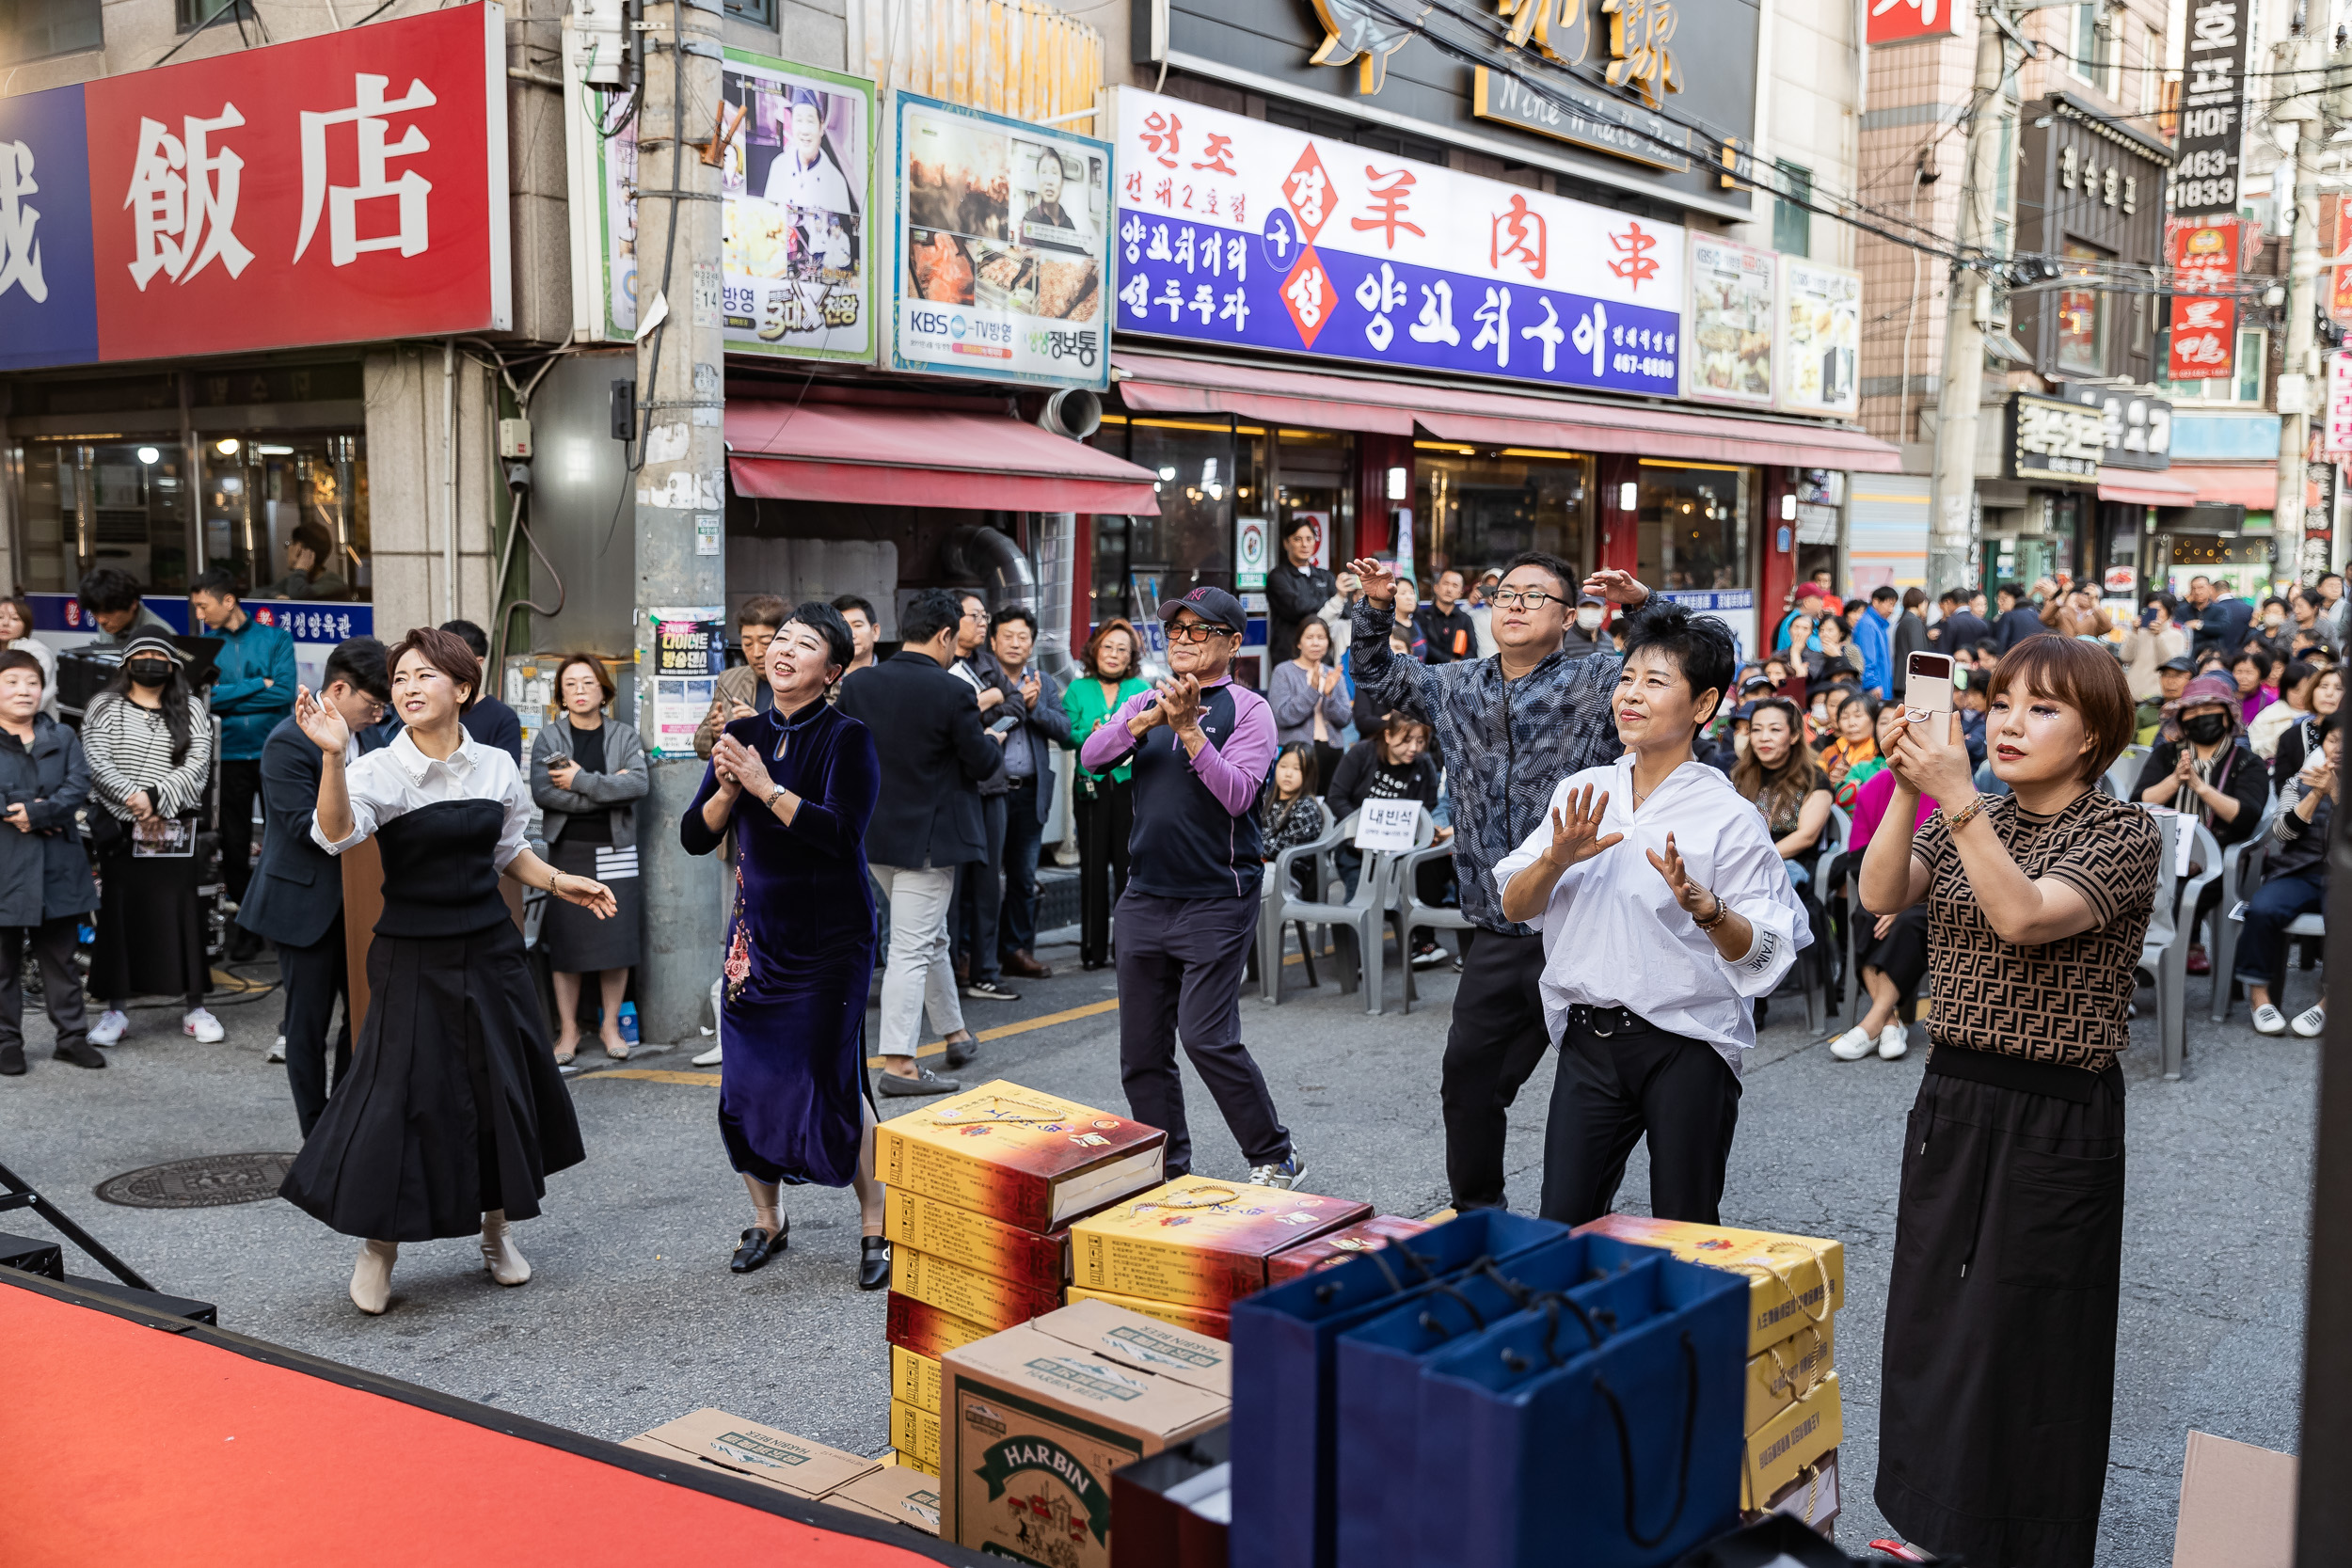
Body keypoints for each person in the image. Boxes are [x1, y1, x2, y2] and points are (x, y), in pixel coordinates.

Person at [1858, 635, 2153, 1568]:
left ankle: (2019, 1550)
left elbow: (2022, 915)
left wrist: (1953, 799)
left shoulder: (2123, 830)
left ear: (2094, 734)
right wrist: (1909, 781)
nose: (2010, 721)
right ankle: (1939, 1533)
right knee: (1932, 1326)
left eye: (2043, 707)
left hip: (2056, 1109)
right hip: (1954, 1090)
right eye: (2003, 702)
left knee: (2028, 1340)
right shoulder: (1964, 811)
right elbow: (1875, 892)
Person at [279, 626, 612, 1316]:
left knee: (499, 1090)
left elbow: (508, 848)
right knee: (397, 1100)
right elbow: (337, 835)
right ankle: (379, 1248)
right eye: (399, 677)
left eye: (423, 675)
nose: (406, 687)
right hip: (410, 951)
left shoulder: (495, 763)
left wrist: (557, 880)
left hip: (491, 949)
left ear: (462, 688)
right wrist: (335, 759)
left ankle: (496, 1232)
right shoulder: (378, 767)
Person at [1343, 549, 1652, 1213]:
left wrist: (1642, 605)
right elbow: (1375, 674)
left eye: (1534, 595)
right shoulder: (1456, 684)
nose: (1513, 603)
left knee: (1599, 1087)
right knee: (1470, 1078)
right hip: (1495, 927)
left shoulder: (1598, 677)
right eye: (1505, 592)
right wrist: (1373, 606)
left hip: (1584, 923)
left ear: (1570, 616)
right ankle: (1477, 1212)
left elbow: (1679, 667)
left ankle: (1578, 1222)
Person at [1493, 601, 1805, 1225]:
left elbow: (1770, 955)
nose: (1630, 695)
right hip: (1588, 1039)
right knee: (1563, 1225)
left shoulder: (1728, 816)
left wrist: (1710, 910)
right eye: (1628, 678)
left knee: (1685, 1228)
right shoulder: (1583, 791)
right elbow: (1514, 904)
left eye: (1656, 682)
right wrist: (1555, 858)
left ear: (1704, 705)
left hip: (1686, 1045)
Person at [683, 602, 894, 1288]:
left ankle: (874, 1222)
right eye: (780, 639)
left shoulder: (848, 737)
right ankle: (767, 1217)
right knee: (745, 1084)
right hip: (758, 938)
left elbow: (840, 835)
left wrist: (765, 787)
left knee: (835, 1078)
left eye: (805, 644)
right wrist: (724, 788)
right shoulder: (741, 730)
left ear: (831, 669)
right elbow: (695, 833)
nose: (785, 650)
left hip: (832, 940)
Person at [1078, 586, 1302, 1187]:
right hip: (1145, 895)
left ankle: (1274, 1155)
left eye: (1198, 630)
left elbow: (1239, 795)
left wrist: (1192, 734)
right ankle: (1167, 1170)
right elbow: (1091, 756)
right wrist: (1148, 720)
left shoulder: (1248, 709)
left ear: (1231, 643)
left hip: (1216, 897)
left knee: (1206, 1036)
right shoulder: (1148, 700)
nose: (1181, 639)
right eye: (1175, 629)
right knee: (1142, 1054)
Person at [836, 589, 995, 1095]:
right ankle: (900, 1063)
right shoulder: (952, 691)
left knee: (929, 937)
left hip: (873, 837)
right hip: (928, 842)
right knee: (910, 945)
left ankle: (954, 1031)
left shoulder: (860, 685)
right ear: (946, 635)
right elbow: (981, 764)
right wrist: (994, 740)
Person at [237, 639, 389, 1132]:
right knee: (306, 1025)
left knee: (363, 1018)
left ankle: (344, 1120)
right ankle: (314, 1130)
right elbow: (307, 828)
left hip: (364, 904)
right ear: (339, 689)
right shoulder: (288, 740)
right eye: (373, 703)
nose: (379, 713)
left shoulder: (378, 738)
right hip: (304, 902)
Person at [82, 637, 218, 1049]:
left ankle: (194, 1006)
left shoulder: (192, 706)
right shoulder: (103, 706)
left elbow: (198, 762)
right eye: (142, 656)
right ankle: (116, 1010)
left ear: (174, 665)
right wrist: (137, 804)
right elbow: (95, 759)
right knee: (121, 915)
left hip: (175, 829)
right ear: (126, 663)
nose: (151, 663)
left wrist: (158, 800)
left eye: (160, 657)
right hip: (122, 831)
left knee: (184, 912)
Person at [531, 654, 649, 1065]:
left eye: (587, 683)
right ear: (561, 694)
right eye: (570, 685)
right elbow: (545, 794)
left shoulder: (624, 735)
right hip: (568, 853)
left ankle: (610, 1025)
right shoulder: (550, 739)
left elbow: (637, 784)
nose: (579, 691)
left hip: (617, 850)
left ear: (603, 690)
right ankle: (568, 1030)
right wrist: (604, 791)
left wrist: (581, 781)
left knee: (615, 939)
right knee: (567, 943)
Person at [0, 650, 101, 1075]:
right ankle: (6, 1041)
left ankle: (71, 1038)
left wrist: (36, 813)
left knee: (60, 957)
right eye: (12, 682)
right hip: (5, 863)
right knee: (2, 963)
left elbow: (77, 787)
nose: (24, 691)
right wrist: (23, 808)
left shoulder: (63, 736)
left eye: (32, 682)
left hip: (57, 862)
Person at [188, 568, 296, 959]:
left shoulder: (276, 639)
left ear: (227, 600)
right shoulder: (204, 646)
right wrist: (258, 684)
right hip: (228, 755)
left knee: (283, 837)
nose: (200, 614)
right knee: (233, 845)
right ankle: (248, 924)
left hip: (274, 752)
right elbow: (204, 700)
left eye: (204, 605)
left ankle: (283, 919)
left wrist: (233, 695)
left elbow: (283, 693)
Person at [982, 607, 1071, 983]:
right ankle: (978, 954)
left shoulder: (1044, 682)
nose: (1016, 643)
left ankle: (1017, 950)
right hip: (990, 793)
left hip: (1030, 792)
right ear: (993, 641)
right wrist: (1012, 701)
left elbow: (1065, 731)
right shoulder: (982, 681)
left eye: (1023, 638)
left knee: (1022, 876)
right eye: (1008, 636)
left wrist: (1034, 709)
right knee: (984, 877)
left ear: (1032, 644)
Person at [1327, 712, 1452, 967]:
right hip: (1358, 846)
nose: (1414, 748)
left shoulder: (1424, 764)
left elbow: (1426, 810)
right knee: (1360, 885)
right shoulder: (1362, 753)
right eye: (1406, 741)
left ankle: (1423, 940)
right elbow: (1337, 796)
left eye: (1420, 741)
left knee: (1427, 866)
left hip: (1401, 848)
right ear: (1387, 734)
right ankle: (1361, 952)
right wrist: (1363, 829)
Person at [2238, 712, 2336, 1037]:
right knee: (2263, 910)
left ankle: (2329, 1003)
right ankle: (2259, 998)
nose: (2340, 748)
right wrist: (2317, 794)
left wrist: (2337, 795)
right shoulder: (2299, 780)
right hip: (2297, 871)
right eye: (2334, 740)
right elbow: (2281, 832)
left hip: (2343, 879)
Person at [1064, 619, 1151, 973]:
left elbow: (1150, 729)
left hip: (1131, 783)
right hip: (1091, 786)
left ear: (1131, 657)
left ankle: (1126, 947)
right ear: (1094, 650)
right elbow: (1068, 733)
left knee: (1129, 867)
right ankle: (1092, 949)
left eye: (1122, 649)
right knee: (1093, 867)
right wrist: (1093, 732)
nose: (1113, 655)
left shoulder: (1141, 687)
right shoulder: (1077, 688)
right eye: (1107, 647)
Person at [946, 592, 1019, 1003]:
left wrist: (989, 706)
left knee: (989, 883)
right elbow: (944, 718)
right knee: (950, 888)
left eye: (983, 616)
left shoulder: (988, 665)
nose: (981, 623)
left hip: (992, 787)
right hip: (954, 790)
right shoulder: (939, 666)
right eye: (975, 616)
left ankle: (986, 970)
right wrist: (985, 701)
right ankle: (952, 971)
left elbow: (1017, 706)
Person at [1735, 698, 1834, 878]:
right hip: (1743, 865)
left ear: (1794, 735)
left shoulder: (1814, 778)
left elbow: (1806, 836)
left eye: (1775, 729)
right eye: (1756, 729)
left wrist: (1756, 859)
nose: (1764, 737)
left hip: (1791, 868)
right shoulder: (1739, 775)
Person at [695, 596, 789, 759]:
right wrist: (715, 732)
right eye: (748, 644)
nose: (757, 653)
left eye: (765, 643)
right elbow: (700, 745)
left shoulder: (807, 682)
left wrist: (760, 726)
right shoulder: (729, 680)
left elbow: (808, 744)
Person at [1270, 616, 1351, 788]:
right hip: (1297, 755)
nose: (1316, 643)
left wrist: (1329, 695)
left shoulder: (1333, 673)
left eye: (1321, 638)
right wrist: (1313, 690)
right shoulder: (1283, 672)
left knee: (1328, 809)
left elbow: (1344, 718)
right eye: (1309, 637)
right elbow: (1283, 717)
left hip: (1332, 751)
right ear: (1299, 643)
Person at [441, 621, 524, 762]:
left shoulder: (502, 718)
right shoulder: (419, 711)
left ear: (478, 663)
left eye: (454, 659)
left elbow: (505, 778)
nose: (443, 665)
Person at [1264, 515, 1336, 667]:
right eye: (1297, 539)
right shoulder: (1278, 576)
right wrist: (1329, 603)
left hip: (1322, 656)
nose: (1304, 544)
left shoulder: (1325, 576)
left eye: (1309, 539)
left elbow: (1344, 611)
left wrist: (1334, 603)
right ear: (1286, 543)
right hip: (1288, 655)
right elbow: (1297, 607)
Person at [2272, 664, 2343, 785]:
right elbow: (2281, 785)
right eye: (2323, 686)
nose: (2329, 693)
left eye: (2339, 688)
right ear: (2312, 690)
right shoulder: (2290, 736)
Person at [1260, 744, 1326, 874]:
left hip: (1287, 873)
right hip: (1258, 861)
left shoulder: (1307, 807)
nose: (1288, 774)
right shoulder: (1265, 798)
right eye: (1283, 766)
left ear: (1309, 773)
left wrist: (1245, 846)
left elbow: (1280, 848)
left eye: (1297, 768)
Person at [75, 567, 173, 651]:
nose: (101, 620)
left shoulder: (161, 636)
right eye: (95, 611)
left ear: (133, 604)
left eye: (109, 611)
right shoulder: (111, 623)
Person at [1016, 147, 1089, 253]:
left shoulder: (1068, 222)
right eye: (1044, 172)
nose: (1049, 181)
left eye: (1054, 173)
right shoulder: (1029, 221)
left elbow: (1079, 256)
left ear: (1062, 181)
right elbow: (1025, 263)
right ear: (1038, 179)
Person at [2121, 594, 2189, 701]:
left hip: (2157, 696)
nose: (2155, 614)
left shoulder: (2177, 635)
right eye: (2150, 610)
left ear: (2169, 611)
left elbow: (2169, 664)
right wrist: (2134, 632)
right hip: (2131, 693)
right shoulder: (2140, 632)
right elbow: (2125, 657)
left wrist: (2158, 636)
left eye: (2159, 610)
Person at [2249, 659, 2319, 760]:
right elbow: (2255, 749)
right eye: (2296, 690)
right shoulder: (2268, 717)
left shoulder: (2324, 714)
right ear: (2285, 689)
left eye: (2308, 691)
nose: (2302, 696)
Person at [262, 523, 351, 601]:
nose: (288, 549)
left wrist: (300, 569)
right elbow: (254, 594)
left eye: (290, 544)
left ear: (300, 550)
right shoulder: (297, 580)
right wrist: (276, 596)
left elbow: (298, 597)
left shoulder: (334, 583)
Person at [0, 595, 57, 718]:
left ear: (26, 625)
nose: (5, 623)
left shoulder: (36, 652)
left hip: (34, 725)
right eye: (0, 617)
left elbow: (39, 700)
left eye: (15, 619)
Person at [1819, 691, 1883, 788]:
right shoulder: (1831, 752)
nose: (1851, 723)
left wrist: (1849, 779)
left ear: (1874, 719)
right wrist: (1829, 782)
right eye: (1844, 717)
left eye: (1858, 716)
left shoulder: (1881, 753)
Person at [1415, 568, 1478, 664]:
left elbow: (1473, 650)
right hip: (1429, 672)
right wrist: (1449, 662)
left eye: (1455, 585)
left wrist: (1458, 664)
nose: (1449, 589)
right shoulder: (1422, 617)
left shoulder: (1465, 619)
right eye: (1445, 584)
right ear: (1436, 588)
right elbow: (1424, 645)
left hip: (1458, 674)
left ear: (1460, 593)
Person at [2183, 575, 2252, 658]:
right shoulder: (2182, 610)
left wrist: (2198, 625)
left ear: (2210, 589)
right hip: (2190, 657)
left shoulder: (2220, 610)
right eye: (2193, 588)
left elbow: (2222, 627)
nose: (2197, 592)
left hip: (2216, 656)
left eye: (2201, 588)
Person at [1847, 585, 1891, 697]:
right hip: (1874, 690)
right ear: (1875, 602)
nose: (1892, 610)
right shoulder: (1867, 624)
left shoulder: (1878, 624)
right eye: (1889, 604)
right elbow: (1867, 658)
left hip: (1881, 685)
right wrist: (1873, 684)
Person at [2040, 580, 2112, 641]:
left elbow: (2108, 627)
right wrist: (2063, 594)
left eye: (2088, 594)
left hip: (2085, 654)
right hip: (2063, 653)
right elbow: (2045, 618)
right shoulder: (2064, 612)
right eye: (2082, 593)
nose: (2085, 597)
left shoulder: (2097, 617)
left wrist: (2094, 603)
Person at [1806, 616, 1865, 688]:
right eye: (1821, 630)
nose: (1824, 634)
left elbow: (1857, 677)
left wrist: (1837, 656)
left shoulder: (1850, 650)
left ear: (1841, 633)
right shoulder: (1816, 653)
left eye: (1830, 630)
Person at [833, 594, 882, 679]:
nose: (851, 635)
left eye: (857, 625)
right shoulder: (822, 683)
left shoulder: (893, 677)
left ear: (875, 631)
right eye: (843, 628)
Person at [1930, 588, 1989, 657]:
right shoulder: (1982, 624)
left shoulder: (1949, 623)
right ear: (1969, 602)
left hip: (1955, 665)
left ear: (1951, 601)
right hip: (1975, 665)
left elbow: (1943, 653)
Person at [1992, 582, 2045, 653]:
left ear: (2016, 599)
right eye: (1998, 599)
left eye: (2003, 599)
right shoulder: (2038, 615)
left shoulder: (2008, 616)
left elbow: (2001, 644)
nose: (1999, 602)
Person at [2230, 648, 2278, 726]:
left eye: (2249, 672)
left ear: (2261, 676)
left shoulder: (2270, 702)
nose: (2243, 677)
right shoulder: (2225, 698)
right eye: (2239, 671)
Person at [1390, 576, 1429, 662]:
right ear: (1391, 598)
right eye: (1403, 593)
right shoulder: (1388, 627)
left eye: (1412, 593)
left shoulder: (1417, 624)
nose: (1409, 597)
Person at [1892, 587, 1931, 673]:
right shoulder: (1914, 621)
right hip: (1910, 678)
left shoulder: (1903, 619)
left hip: (1901, 676)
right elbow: (1918, 653)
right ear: (1920, 602)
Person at [1562, 592, 1611, 659]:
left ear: (1605, 611)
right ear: (1576, 610)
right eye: (1584, 607)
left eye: (1595, 607)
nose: (1590, 612)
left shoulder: (1608, 640)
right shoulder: (1563, 638)